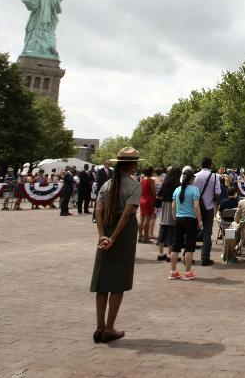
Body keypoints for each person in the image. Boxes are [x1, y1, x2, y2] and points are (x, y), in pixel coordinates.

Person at [90, 147, 142, 343]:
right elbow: (128, 214)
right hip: (123, 232)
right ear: (134, 164)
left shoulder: (106, 185)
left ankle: (99, 326)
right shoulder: (134, 186)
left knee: (102, 282)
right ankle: (110, 327)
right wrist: (114, 238)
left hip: (106, 230)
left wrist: (103, 236)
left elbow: (98, 212)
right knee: (118, 282)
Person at [170, 167, 202, 280]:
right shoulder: (194, 190)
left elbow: (173, 206)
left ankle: (173, 272)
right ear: (191, 179)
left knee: (175, 246)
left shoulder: (177, 190)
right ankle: (187, 273)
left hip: (179, 219)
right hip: (190, 220)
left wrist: (175, 217)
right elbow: (196, 207)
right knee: (189, 247)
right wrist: (199, 220)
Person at [193, 157, 221, 267]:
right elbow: (218, 191)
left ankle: (188, 255)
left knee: (192, 231)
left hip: (196, 206)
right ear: (210, 165)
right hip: (209, 207)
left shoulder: (196, 176)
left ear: (201, 164)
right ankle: (205, 258)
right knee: (207, 233)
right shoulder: (215, 176)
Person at [155, 167, 180, 261]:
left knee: (163, 230)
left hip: (165, 207)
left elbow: (159, 195)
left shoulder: (165, 182)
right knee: (172, 232)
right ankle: (170, 254)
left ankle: (161, 253)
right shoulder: (178, 184)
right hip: (174, 208)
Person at [138, 166, 156, 242]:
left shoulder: (141, 180)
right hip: (149, 200)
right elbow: (153, 192)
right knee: (147, 219)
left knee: (141, 219)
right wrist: (156, 197)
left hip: (142, 199)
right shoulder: (151, 181)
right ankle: (146, 237)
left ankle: (140, 236)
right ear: (151, 172)